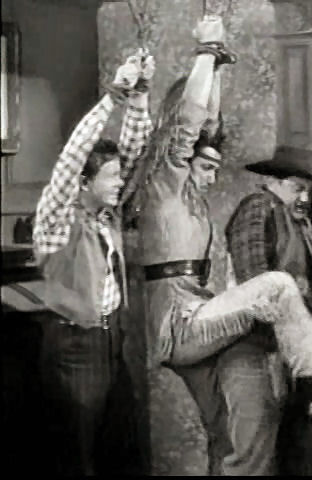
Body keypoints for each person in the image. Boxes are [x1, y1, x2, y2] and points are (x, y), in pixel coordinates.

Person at [134, 16, 312, 475]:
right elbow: (185, 125)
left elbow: (205, 123)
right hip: (177, 323)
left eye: (216, 167)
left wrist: (218, 69)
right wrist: (207, 50)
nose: (212, 177)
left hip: (198, 314)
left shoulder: (193, 201)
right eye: (204, 167)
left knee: (230, 432)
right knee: (276, 285)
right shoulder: (162, 188)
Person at [32, 50, 155, 475]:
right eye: (110, 177)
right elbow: (72, 156)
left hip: (111, 341)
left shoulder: (106, 215)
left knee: (122, 452)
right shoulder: (57, 219)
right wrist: (114, 95)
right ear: (84, 182)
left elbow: (134, 153)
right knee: (79, 457)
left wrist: (139, 95)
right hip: (75, 348)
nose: (120, 182)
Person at [223, 145, 312, 475]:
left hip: (291, 346)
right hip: (259, 344)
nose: (304, 197)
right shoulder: (258, 207)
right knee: (259, 444)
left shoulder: (298, 222)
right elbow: (255, 282)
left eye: (308, 190)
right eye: (297, 188)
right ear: (273, 182)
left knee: (298, 440)